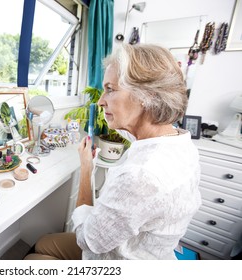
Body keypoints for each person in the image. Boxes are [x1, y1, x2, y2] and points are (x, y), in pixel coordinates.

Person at [24, 43, 202, 260]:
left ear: (147, 96)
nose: (100, 101)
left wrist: (87, 168)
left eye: (110, 89)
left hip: (114, 258)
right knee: (43, 242)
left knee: (33, 259)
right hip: (141, 249)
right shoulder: (178, 141)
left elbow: (88, 241)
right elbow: (130, 130)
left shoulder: (142, 176)